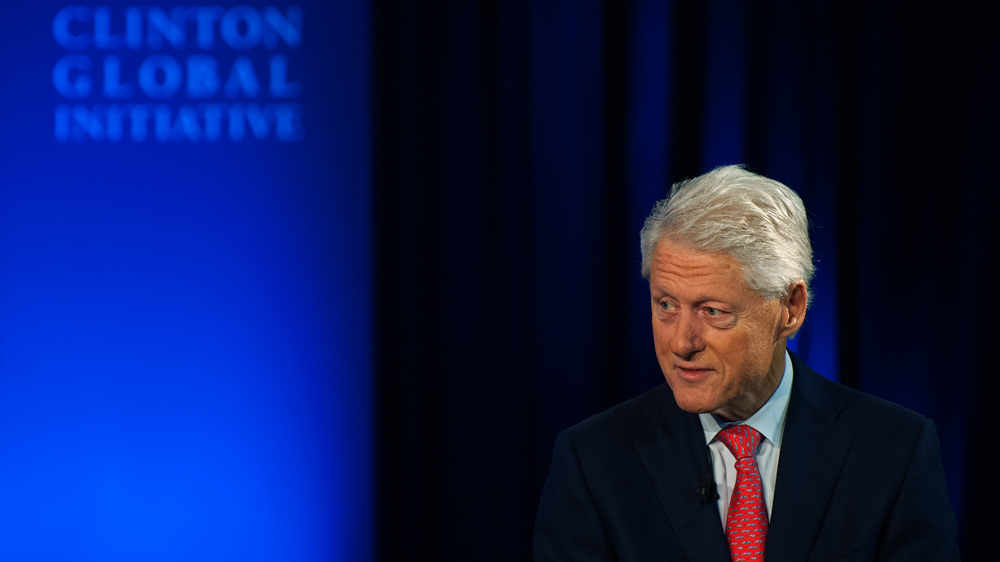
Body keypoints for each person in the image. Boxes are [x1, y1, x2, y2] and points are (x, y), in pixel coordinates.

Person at [533, 165, 960, 561]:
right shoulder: (593, 463)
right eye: (666, 305)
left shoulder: (894, 452)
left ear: (790, 309)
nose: (681, 342)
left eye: (712, 311)